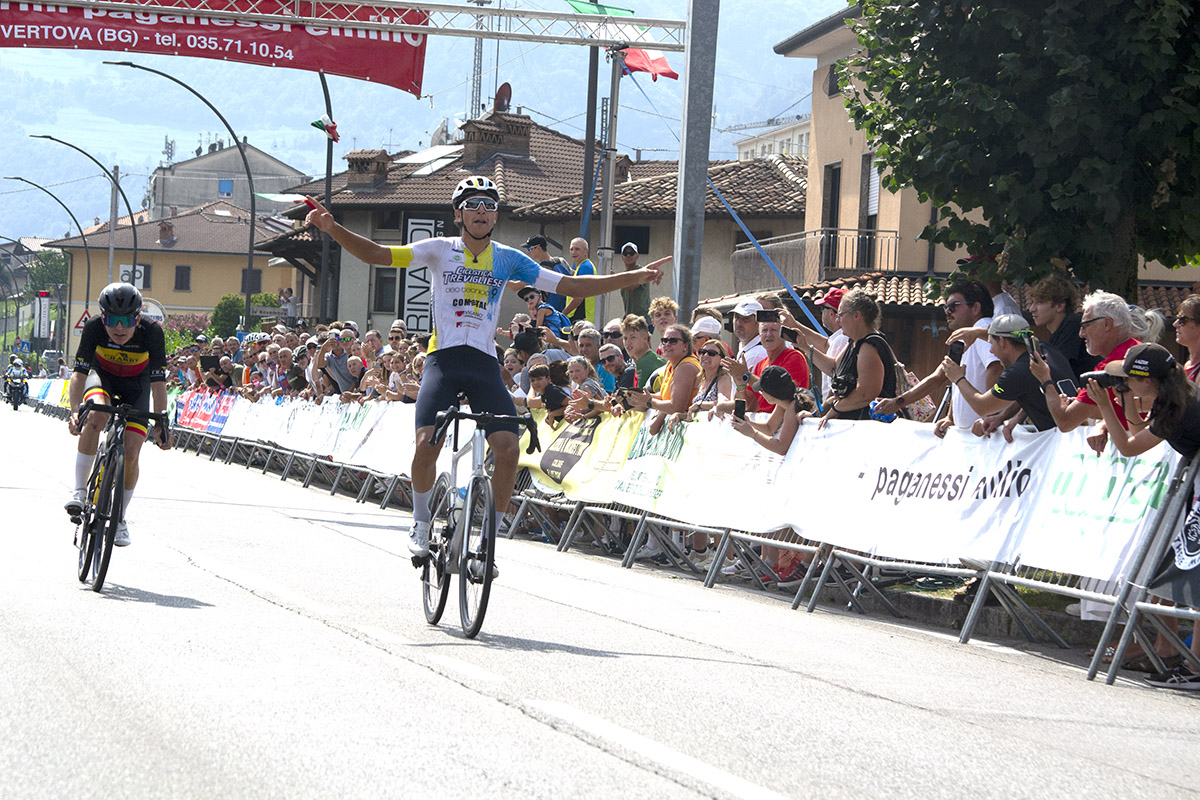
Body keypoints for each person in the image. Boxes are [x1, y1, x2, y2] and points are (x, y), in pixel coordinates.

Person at [304, 176, 663, 561]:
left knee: (508, 450)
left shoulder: (508, 258)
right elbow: (377, 254)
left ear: (495, 216)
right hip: (443, 361)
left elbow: (571, 287)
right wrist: (332, 228)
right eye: (473, 204)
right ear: (458, 213)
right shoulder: (440, 249)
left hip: (484, 363)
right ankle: (421, 520)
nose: (481, 212)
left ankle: (489, 536)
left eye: (489, 206)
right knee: (427, 445)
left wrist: (634, 277)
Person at [1087, 343, 1200, 690]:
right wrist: (1121, 403)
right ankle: (1193, 664)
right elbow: (1138, 435)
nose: (1122, 385)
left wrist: (1105, 406)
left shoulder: (1179, 408)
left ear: (1147, 382)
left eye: (1127, 381)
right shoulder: (1178, 395)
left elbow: (1129, 447)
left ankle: (1196, 669)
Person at [64, 283, 172, 547]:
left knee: (133, 451)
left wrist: (161, 422)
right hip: (103, 379)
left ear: (138, 318)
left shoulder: (152, 332)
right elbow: (78, 374)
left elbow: (158, 384)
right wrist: (75, 410)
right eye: (112, 320)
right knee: (95, 418)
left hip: (138, 385)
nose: (119, 328)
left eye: (126, 321)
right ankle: (79, 491)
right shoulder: (93, 329)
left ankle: (119, 518)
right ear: (103, 317)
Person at [1030, 290, 1164, 434]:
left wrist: (1045, 380)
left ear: (1107, 324)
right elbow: (1119, 409)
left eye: (1085, 325)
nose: (1081, 334)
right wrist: (1101, 423)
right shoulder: (1140, 351)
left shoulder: (1110, 366)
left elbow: (1065, 422)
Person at [942, 314, 1074, 434]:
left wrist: (958, 378)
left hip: (1064, 443)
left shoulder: (1017, 372)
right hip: (1075, 433)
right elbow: (1030, 391)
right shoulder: (1042, 348)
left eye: (991, 344)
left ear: (1003, 342)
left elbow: (982, 407)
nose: (992, 351)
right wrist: (1003, 417)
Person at [801, 289, 891, 422]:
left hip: (866, 428)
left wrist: (835, 409)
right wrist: (805, 347)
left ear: (856, 316)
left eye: (841, 315)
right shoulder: (854, 342)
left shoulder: (869, 346)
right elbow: (834, 367)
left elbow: (866, 394)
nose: (837, 319)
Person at [626, 323, 700, 435]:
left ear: (685, 346)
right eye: (664, 340)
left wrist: (649, 402)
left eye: (673, 341)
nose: (667, 344)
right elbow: (665, 395)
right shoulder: (671, 364)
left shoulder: (686, 367)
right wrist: (640, 398)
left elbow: (676, 407)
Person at [1028, 275, 1098, 381]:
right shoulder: (1057, 335)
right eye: (1032, 302)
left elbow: (1057, 369)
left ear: (1060, 306)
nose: (1031, 309)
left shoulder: (1073, 324)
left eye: (1039, 302)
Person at [618, 243, 672, 320]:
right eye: (625, 253)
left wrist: (612, 278)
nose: (628, 256)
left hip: (644, 321)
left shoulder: (641, 271)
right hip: (631, 321)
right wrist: (625, 315)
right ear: (622, 257)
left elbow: (631, 287)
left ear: (637, 256)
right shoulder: (623, 276)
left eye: (631, 253)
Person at [522, 235, 572, 312]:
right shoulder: (561, 261)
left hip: (553, 312)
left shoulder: (542, 269)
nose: (528, 252)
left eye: (529, 249)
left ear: (538, 248)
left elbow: (516, 286)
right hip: (570, 309)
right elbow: (573, 274)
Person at [563, 237, 597, 324]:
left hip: (581, 318)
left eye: (577, 249)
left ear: (586, 251)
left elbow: (578, 298)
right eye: (571, 249)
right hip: (580, 318)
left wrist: (563, 314)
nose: (573, 252)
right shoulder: (581, 267)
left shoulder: (585, 267)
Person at [729, 300, 768, 371]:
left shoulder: (756, 354)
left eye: (746, 319)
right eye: (737, 317)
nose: (739, 323)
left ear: (758, 322)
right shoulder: (748, 348)